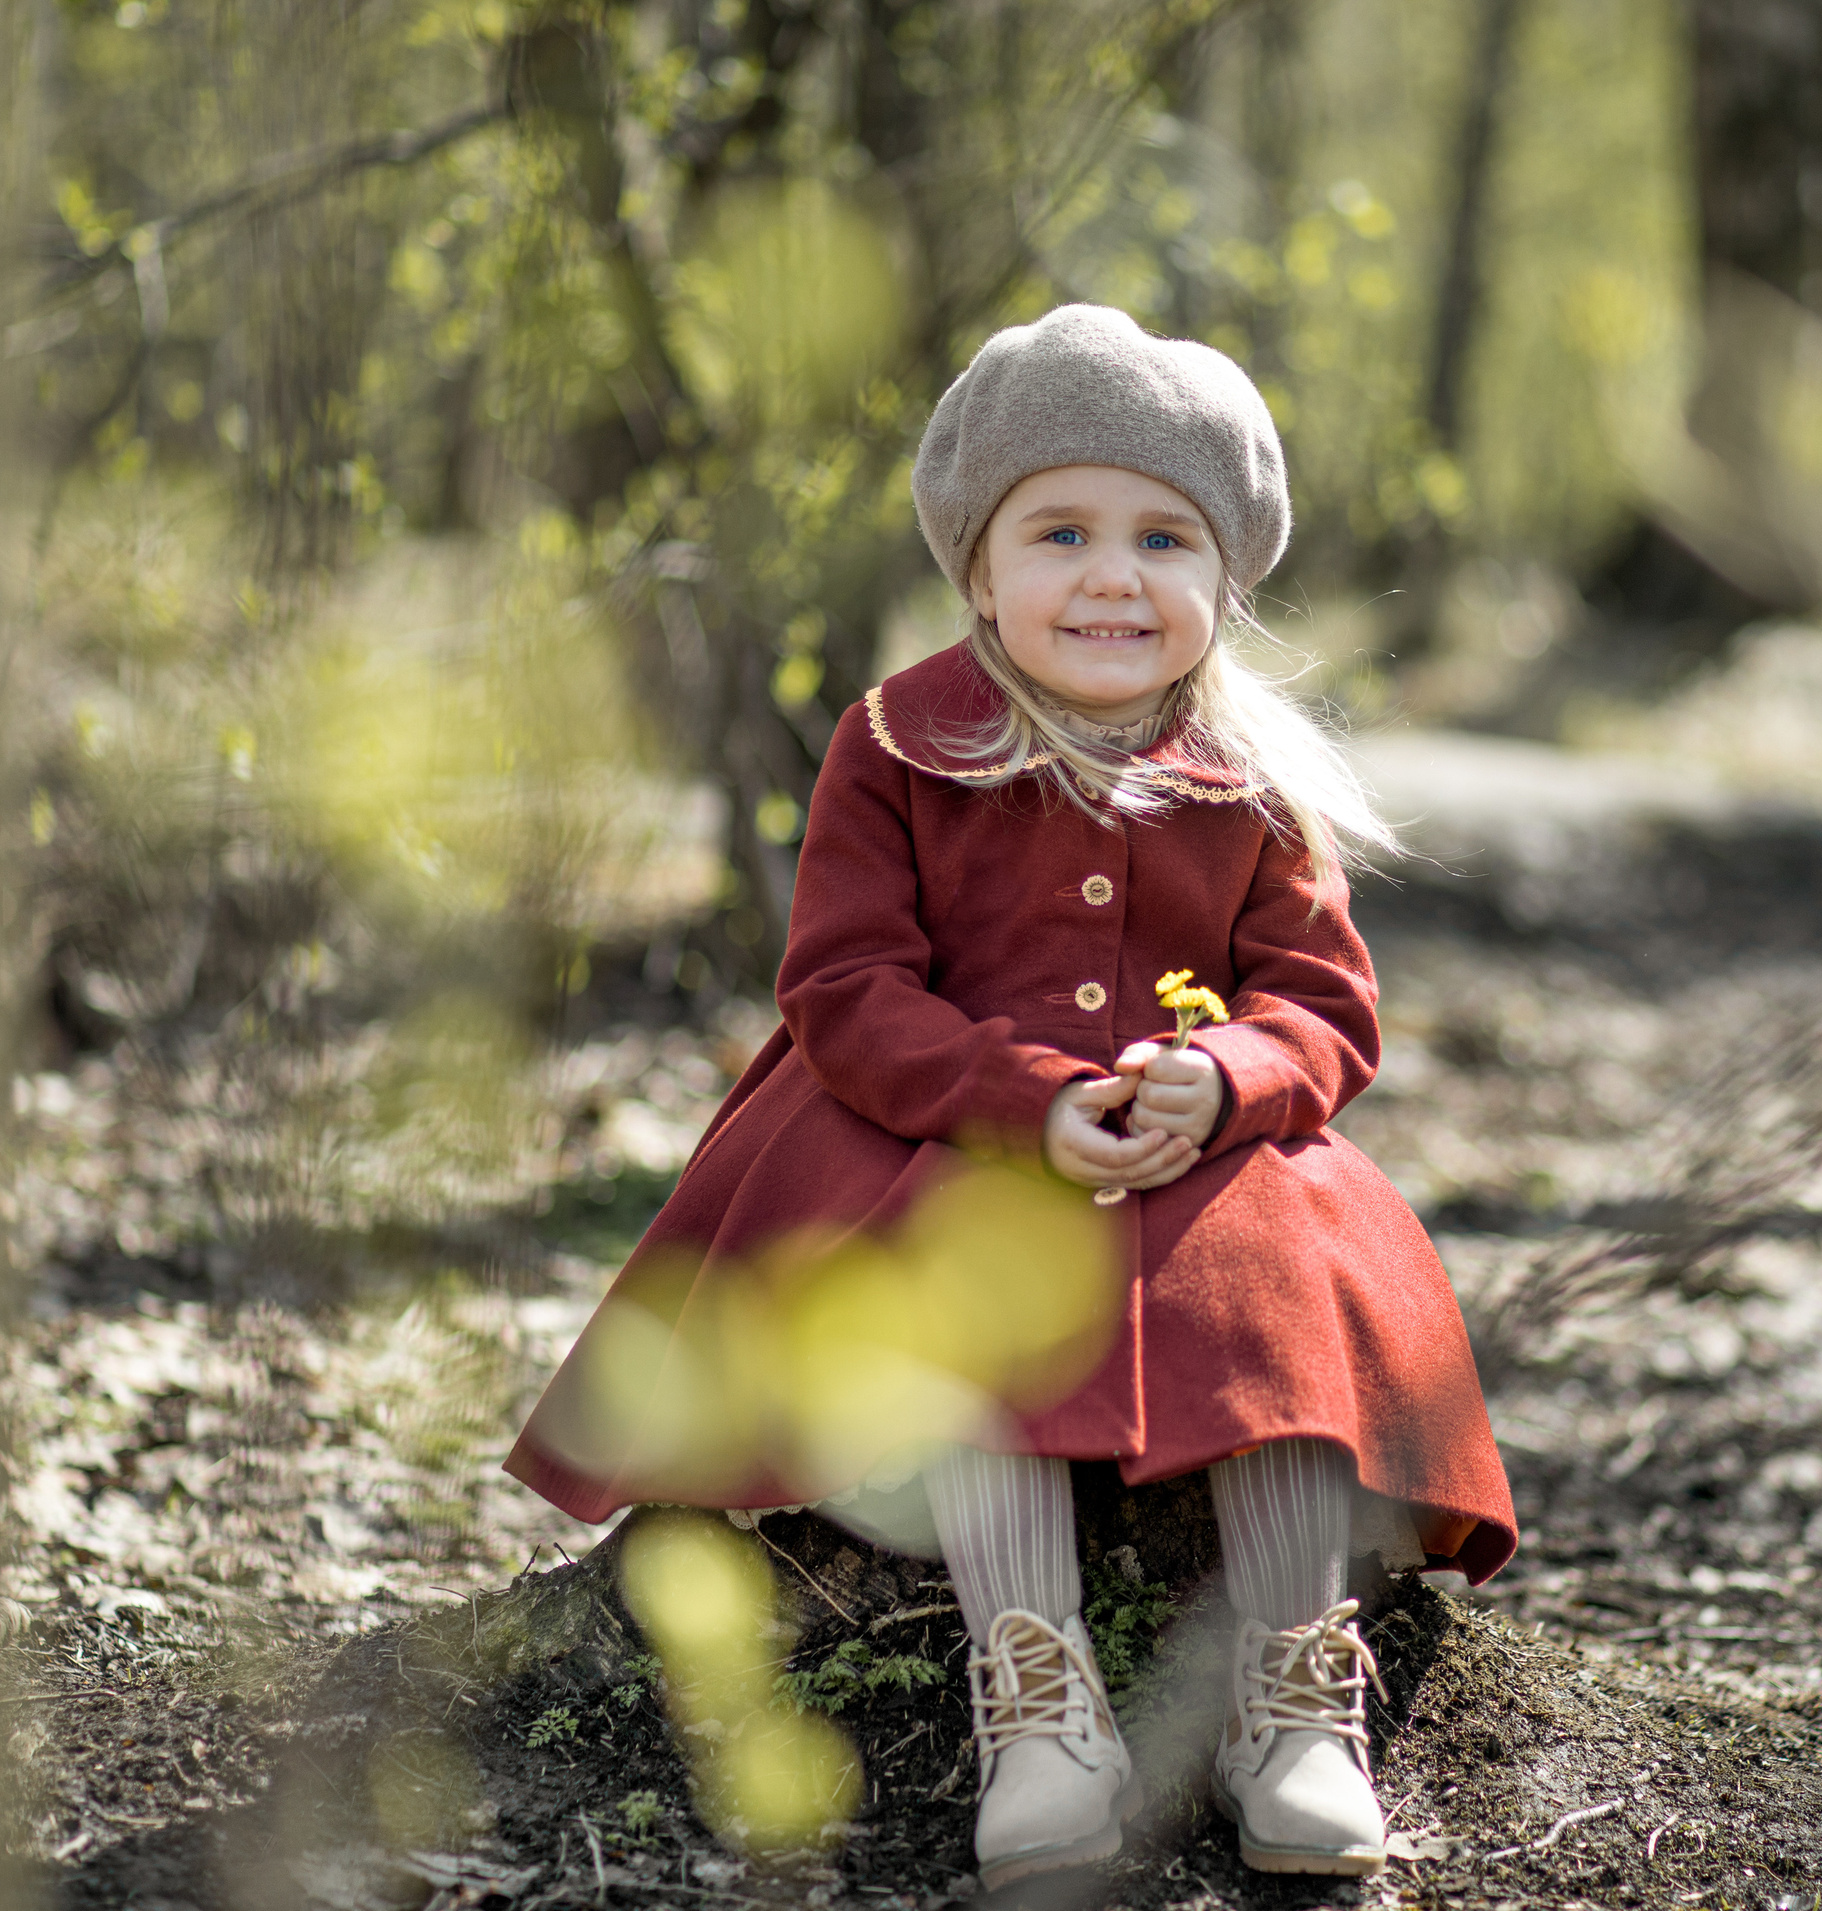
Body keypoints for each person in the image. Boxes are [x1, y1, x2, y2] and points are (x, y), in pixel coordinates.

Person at [506, 303, 1515, 1887]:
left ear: (1224, 579)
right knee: (955, 1258)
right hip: (927, 1114)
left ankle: (1294, 1691)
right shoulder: (901, 744)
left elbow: (1321, 1002)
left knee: (1296, 1251)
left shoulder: (1253, 783)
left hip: (1193, 1126)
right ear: (979, 568)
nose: (1114, 575)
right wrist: (1014, 1095)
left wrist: (1232, 1076)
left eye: (1164, 536)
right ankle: (1036, 1693)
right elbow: (842, 990)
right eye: (1061, 531)